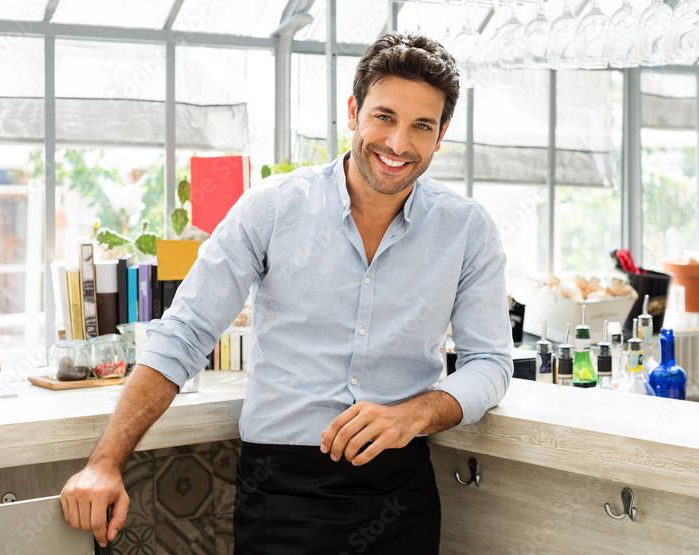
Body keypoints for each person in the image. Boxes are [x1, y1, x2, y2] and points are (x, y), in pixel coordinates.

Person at [59, 32, 514, 554]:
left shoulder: (467, 229)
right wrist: (104, 463)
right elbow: (185, 333)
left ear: (441, 135)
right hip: (282, 491)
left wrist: (416, 413)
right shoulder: (273, 207)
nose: (397, 143)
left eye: (421, 126)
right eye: (384, 117)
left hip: (401, 490)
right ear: (353, 112)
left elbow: (489, 362)